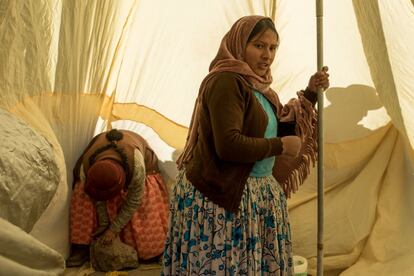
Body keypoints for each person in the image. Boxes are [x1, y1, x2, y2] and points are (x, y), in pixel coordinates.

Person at [161, 15, 329, 275]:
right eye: (259, 46)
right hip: (220, 199)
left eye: (273, 48)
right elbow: (228, 145)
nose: (267, 55)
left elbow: (272, 126)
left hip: (252, 197)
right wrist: (279, 146)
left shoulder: (258, 87)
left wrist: (309, 93)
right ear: (239, 44)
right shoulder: (226, 82)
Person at [66, 129, 169, 267]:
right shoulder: (86, 169)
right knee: (81, 193)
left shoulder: (136, 165)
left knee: (145, 202)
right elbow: (96, 196)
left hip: (143, 171)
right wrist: (103, 225)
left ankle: (155, 251)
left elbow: (133, 201)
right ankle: (82, 247)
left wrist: (113, 229)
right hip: (104, 176)